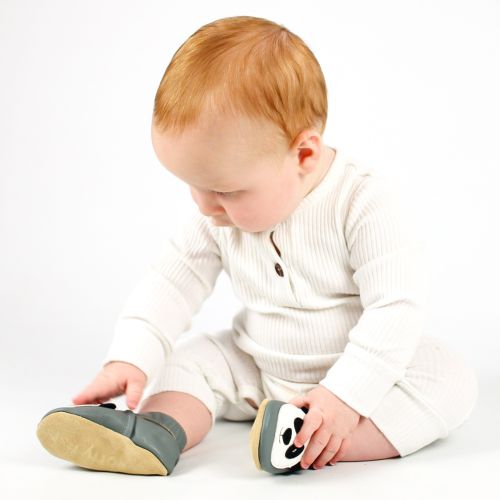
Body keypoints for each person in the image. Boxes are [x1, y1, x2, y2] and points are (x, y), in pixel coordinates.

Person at [36, 15, 478, 476]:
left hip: (360, 371)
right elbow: (171, 282)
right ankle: (156, 430)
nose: (207, 206)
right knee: (190, 360)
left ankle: (318, 440)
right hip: (257, 363)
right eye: (193, 185)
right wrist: (131, 355)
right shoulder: (217, 214)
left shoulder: (364, 202)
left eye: (225, 190)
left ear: (303, 155)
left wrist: (346, 396)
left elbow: (396, 308)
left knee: (450, 382)